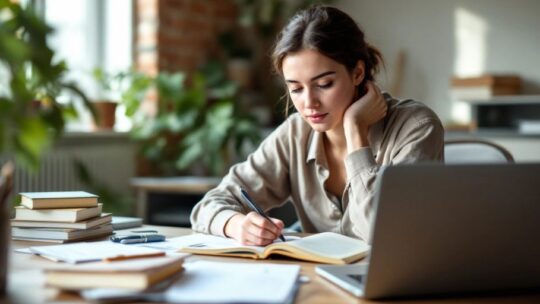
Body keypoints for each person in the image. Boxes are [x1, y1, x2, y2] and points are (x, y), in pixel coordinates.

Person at [190, 5, 444, 246]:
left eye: (324, 84)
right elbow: (208, 206)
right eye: (296, 89)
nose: (309, 102)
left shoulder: (417, 127)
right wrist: (236, 225)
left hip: (393, 283)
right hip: (314, 282)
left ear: (357, 73)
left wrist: (355, 130)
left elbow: (386, 235)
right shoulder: (294, 133)